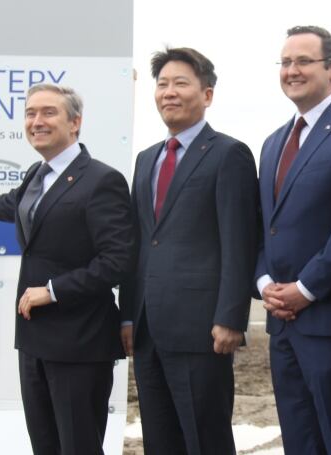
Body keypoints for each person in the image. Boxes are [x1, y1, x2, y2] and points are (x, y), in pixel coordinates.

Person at [0, 84, 134, 455]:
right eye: (30, 113)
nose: (36, 121)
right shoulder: (37, 174)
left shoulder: (101, 180)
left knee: (78, 447)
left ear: (75, 123)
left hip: (80, 342)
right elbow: (11, 205)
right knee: (45, 445)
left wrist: (54, 290)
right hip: (33, 340)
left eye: (48, 112)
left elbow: (118, 261)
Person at [118, 47, 258, 455]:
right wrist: (128, 313)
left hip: (203, 331)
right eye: (162, 84)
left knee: (205, 439)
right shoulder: (146, 160)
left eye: (181, 83)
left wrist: (231, 317)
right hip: (147, 329)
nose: (169, 93)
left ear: (207, 95)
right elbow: (138, 243)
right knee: (159, 440)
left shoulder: (228, 154)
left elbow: (238, 241)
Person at [256, 25, 331, 455]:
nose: (292, 70)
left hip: (328, 323)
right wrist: (264, 282)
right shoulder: (272, 143)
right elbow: (264, 227)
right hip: (281, 324)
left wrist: (305, 289)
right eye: (286, 62)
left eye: (303, 61)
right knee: (299, 442)